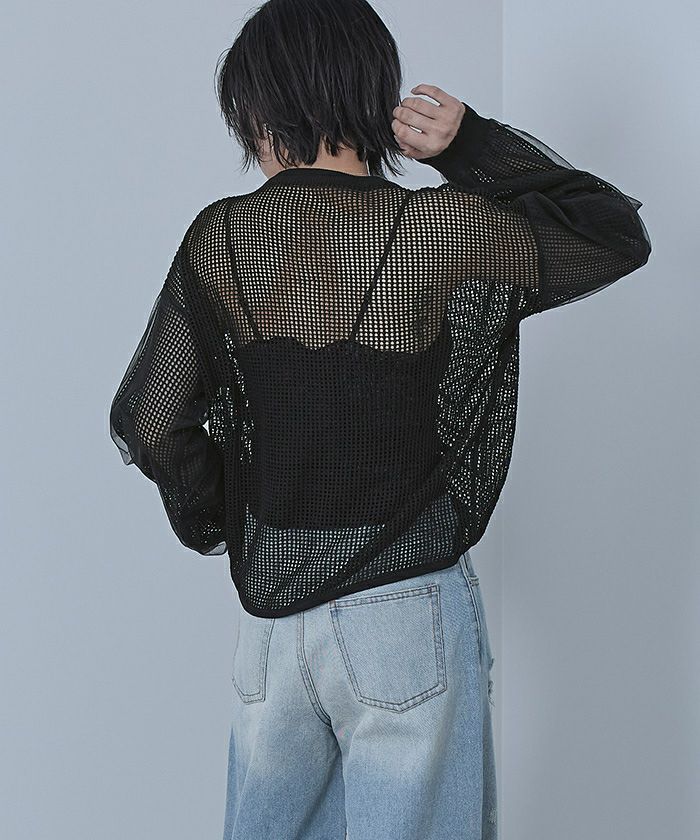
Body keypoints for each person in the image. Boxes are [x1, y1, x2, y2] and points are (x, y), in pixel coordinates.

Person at [108, 1, 652, 838]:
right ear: (367, 93)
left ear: (266, 106)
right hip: (406, 618)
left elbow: (150, 420)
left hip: (273, 634)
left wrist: (231, 521)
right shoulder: (438, 229)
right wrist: (469, 146)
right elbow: (612, 236)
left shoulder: (222, 240)